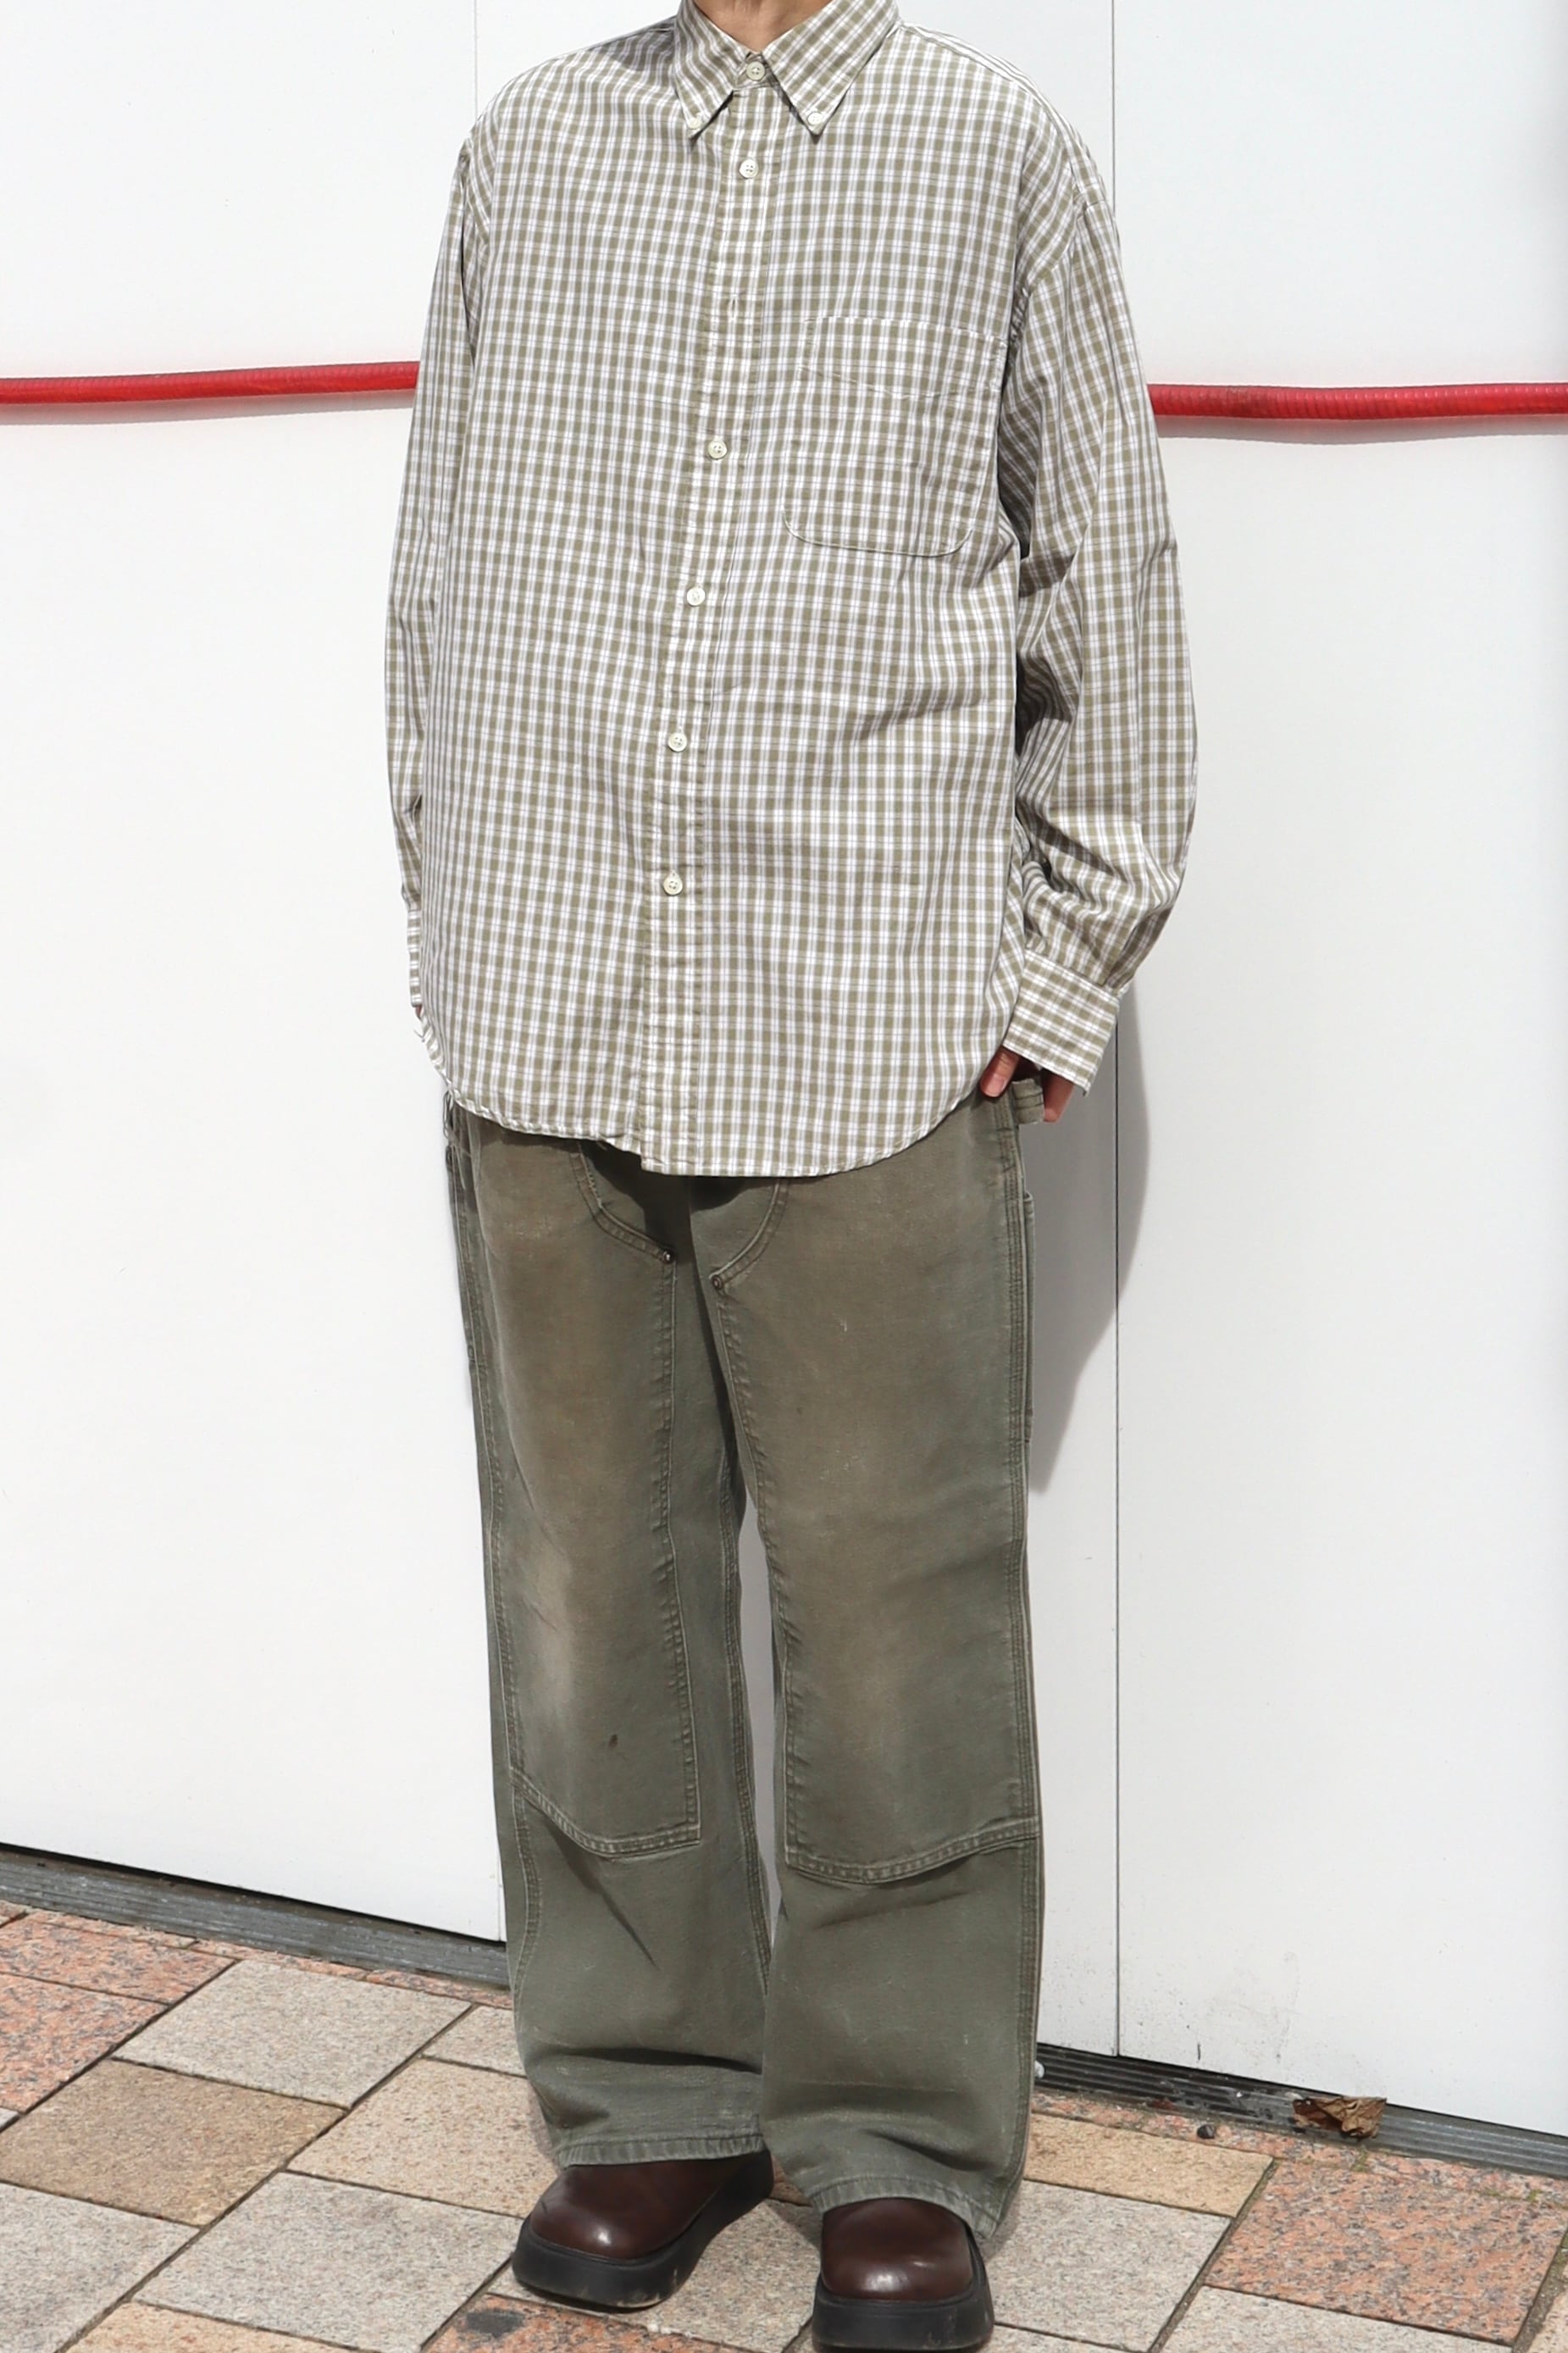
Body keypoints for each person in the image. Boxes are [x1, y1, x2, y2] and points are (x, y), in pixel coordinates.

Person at [385, 0, 1194, 2340]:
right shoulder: (528, 145)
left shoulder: (991, 151)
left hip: (868, 1011)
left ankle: (902, 2140)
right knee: (585, 1586)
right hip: (543, 995)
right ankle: (652, 2091)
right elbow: (439, 563)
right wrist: (453, 903)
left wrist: (1056, 971)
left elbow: (1106, 584)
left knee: (896, 1610)